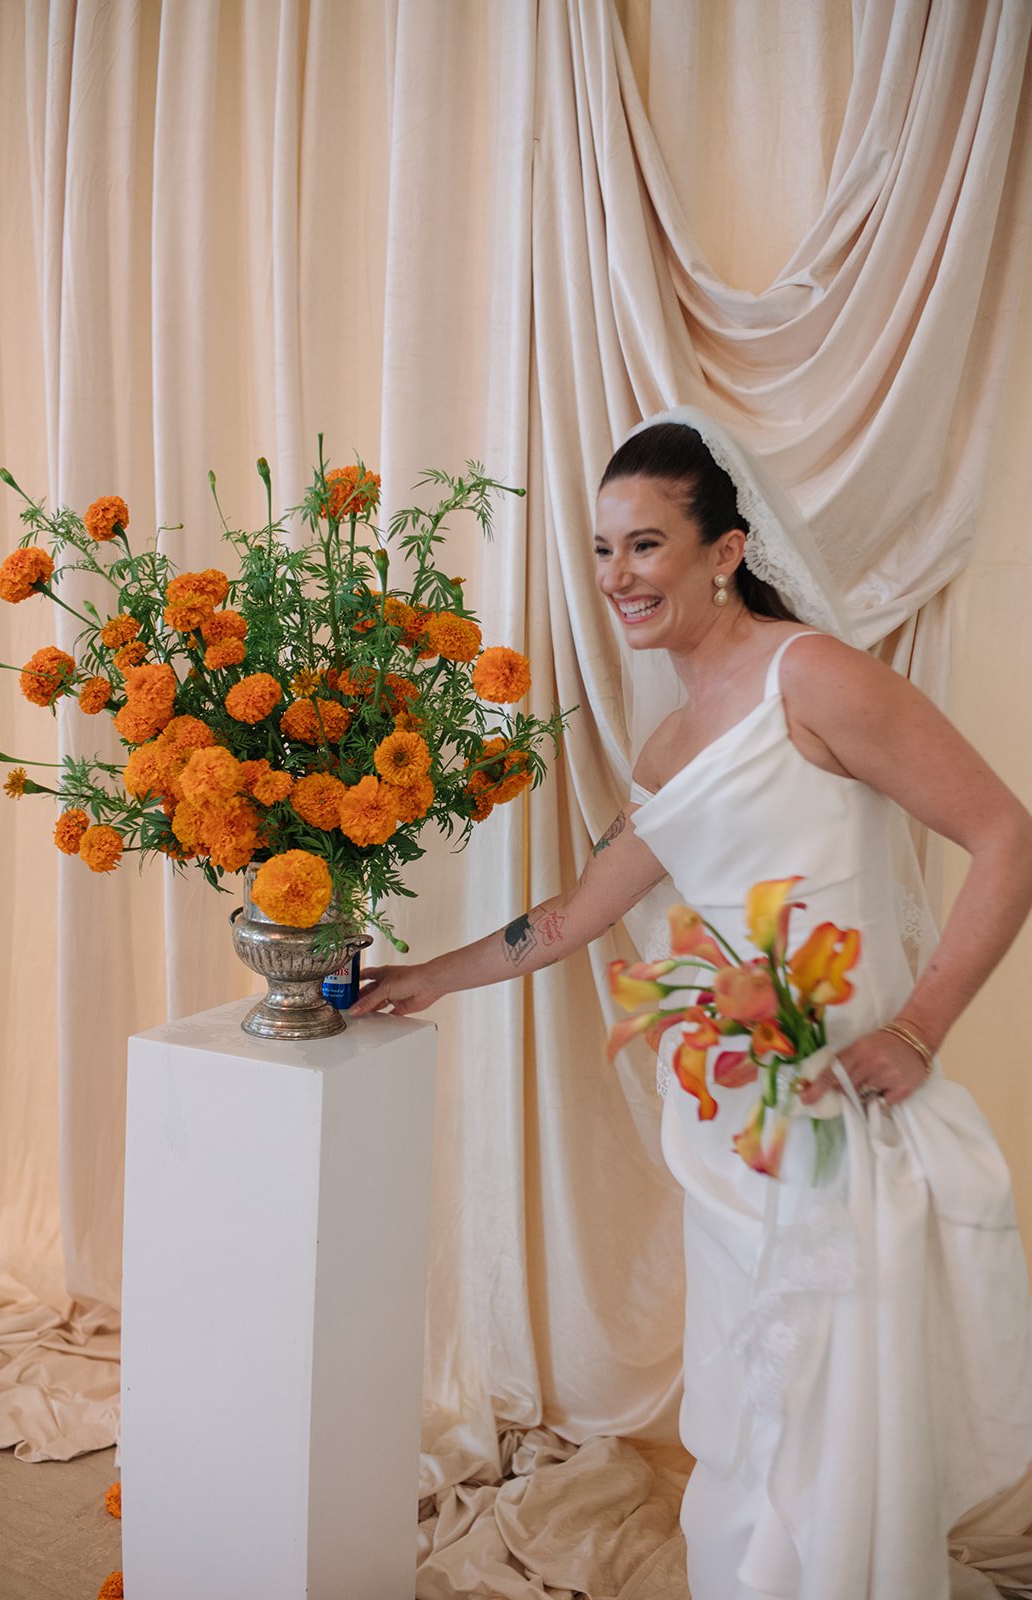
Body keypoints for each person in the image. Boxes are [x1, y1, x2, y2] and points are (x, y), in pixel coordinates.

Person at [350, 407, 1032, 1599]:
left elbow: (1004, 834)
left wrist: (915, 1028)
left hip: (832, 1111)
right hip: (726, 1123)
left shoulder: (810, 675)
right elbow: (568, 917)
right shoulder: (665, 748)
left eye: (646, 544)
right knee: (748, 1405)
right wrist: (421, 978)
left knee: (831, 1409)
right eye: (604, 549)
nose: (618, 576)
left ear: (723, 549)